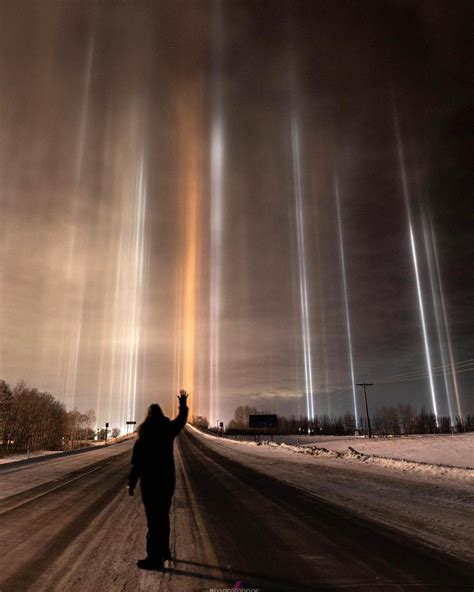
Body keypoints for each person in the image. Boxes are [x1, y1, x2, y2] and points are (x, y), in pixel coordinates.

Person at [127, 390, 189, 570]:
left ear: (148, 416)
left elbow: (136, 464)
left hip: (150, 482)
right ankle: (164, 551)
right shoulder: (168, 428)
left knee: (153, 519)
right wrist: (183, 403)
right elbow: (182, 419)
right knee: (163, 516)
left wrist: (131, 484)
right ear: (161, 414)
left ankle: (154, 558)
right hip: (167, 480)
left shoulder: (144, 434)